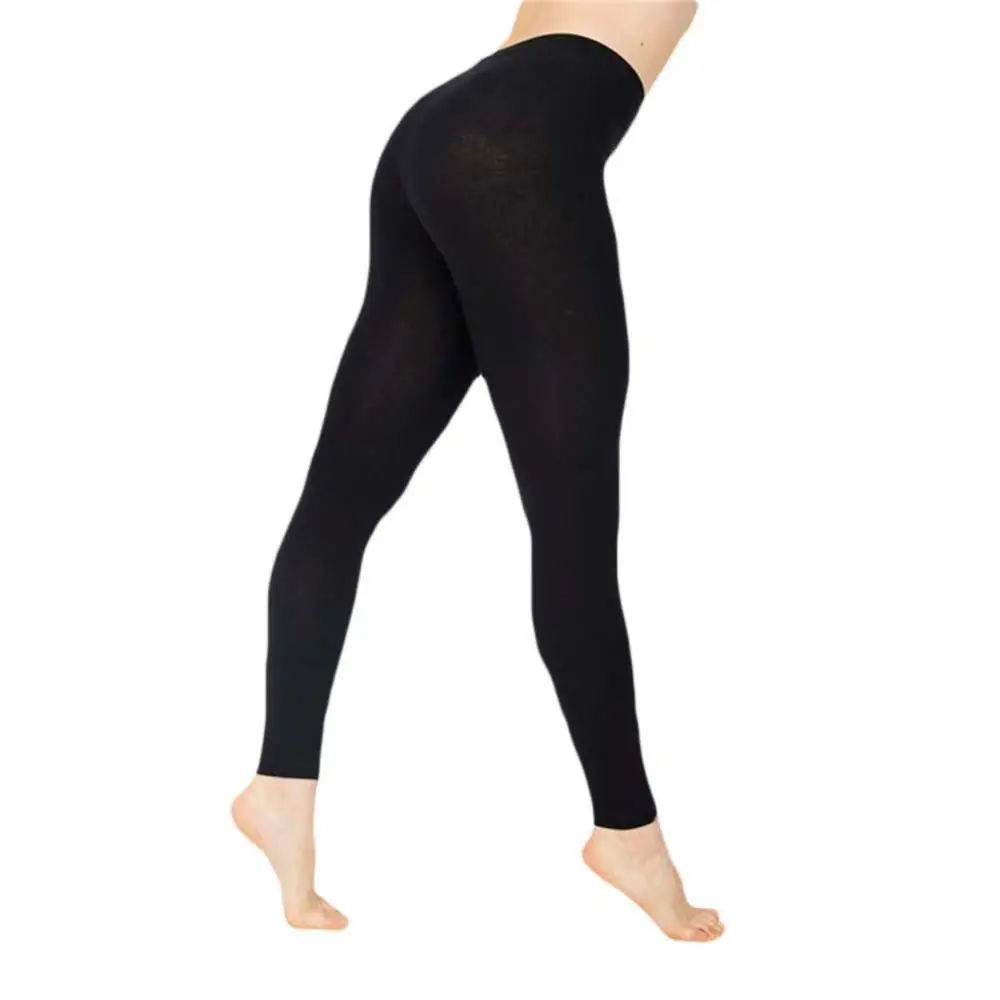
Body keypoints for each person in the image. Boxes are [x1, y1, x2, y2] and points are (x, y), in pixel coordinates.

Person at [233, 0, 723, 941]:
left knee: (337, 509)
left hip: (441, 126)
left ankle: (280, 785)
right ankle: (628, 833)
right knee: (574, 535)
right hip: (517, 146)